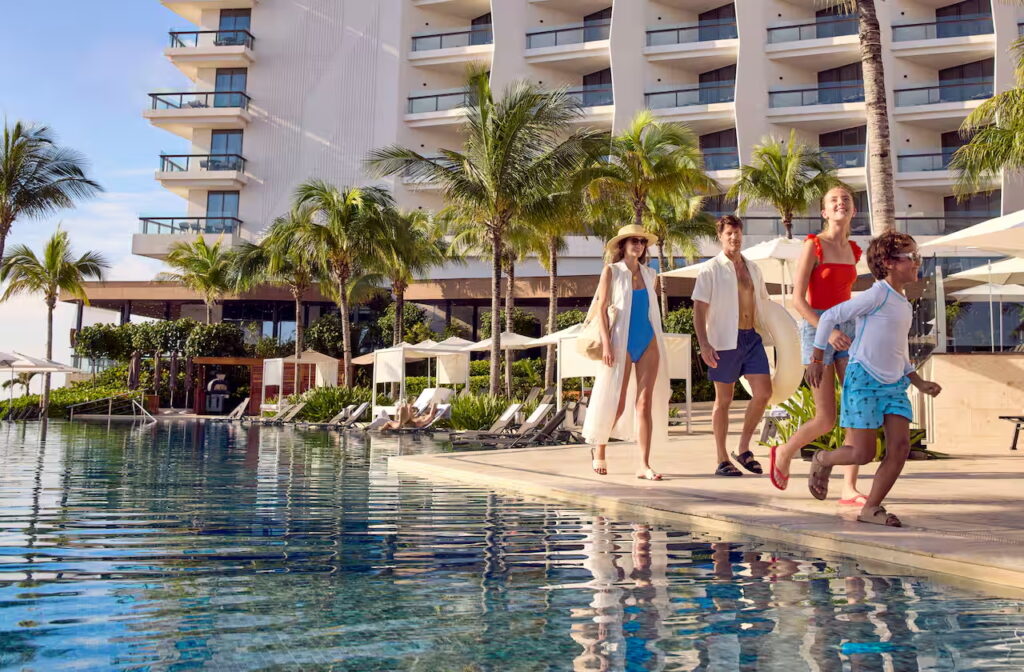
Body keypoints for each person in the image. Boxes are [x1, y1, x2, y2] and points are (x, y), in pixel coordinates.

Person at [805, 231, 942, 527]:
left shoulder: (904, 303)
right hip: (863, 379)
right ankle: (823, 460)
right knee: (862, 453)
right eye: (911, 257)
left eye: (917, 256)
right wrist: (817, 358)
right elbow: (829, 316)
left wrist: (917, 381)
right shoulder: (878, 294)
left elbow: (898, 351)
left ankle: (871, 508)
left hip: (894, 385)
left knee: (900, 448)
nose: (917, 262)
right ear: (889, 263)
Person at [769, 186, 866, 503]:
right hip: (817, 331)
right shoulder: (813, 245)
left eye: (846, 199)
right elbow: (798, 300)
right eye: (833, 200)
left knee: (856, 409)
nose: (841, 202)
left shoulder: (854, 250)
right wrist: (828, 331)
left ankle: (849, 488)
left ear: (853, 210)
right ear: (824, 212)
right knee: (825, 418)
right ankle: (784, 452)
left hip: (847, 328)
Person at [583, 223, 672, 481]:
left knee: (644, 403)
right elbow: (601, 310)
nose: (638, 245)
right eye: (633, 241)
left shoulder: (650, 274)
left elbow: (649, 312)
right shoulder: (611, 271)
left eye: (642, 241)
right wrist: (607, 344)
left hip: (648, 340)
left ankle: (644, 464)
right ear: (622, 245)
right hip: (620, 342)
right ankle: (599, 448)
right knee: (618, 403)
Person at [692, 215, 773, 477]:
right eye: (729, 233)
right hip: (724, 340)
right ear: (720, 236)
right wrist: (704, 344)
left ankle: (743, 448)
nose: (734, 237)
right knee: (724, 400)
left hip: (751, 337)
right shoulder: (710, 269)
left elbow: (764, 302)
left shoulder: (753, 268)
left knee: (764, 393)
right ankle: (721, 458)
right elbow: (699, 309)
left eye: (737, 232)